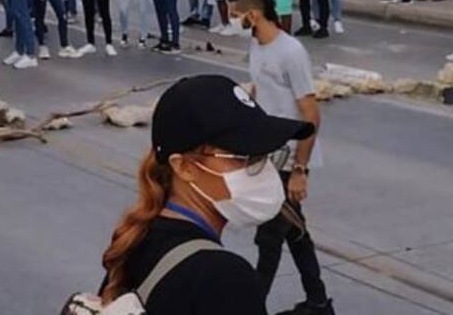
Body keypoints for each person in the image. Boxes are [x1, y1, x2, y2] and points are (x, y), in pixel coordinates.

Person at [91, 72, 313, 315]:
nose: (264, 170)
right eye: (243, 157)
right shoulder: (224, 279)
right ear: (184, 168)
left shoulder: (136, 238)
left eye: (265, 155)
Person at [228, 0, 333, 315]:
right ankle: (318, 302)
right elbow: (262, 90)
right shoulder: (257, 45)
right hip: (269, 153)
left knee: (269, 240)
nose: (230, 21)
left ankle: (251, 307)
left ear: (252, 14)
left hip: (290, 156)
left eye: (234, 15)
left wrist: (300, 171)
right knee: (295, 233)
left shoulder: (291, 52)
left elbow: (311, 114)